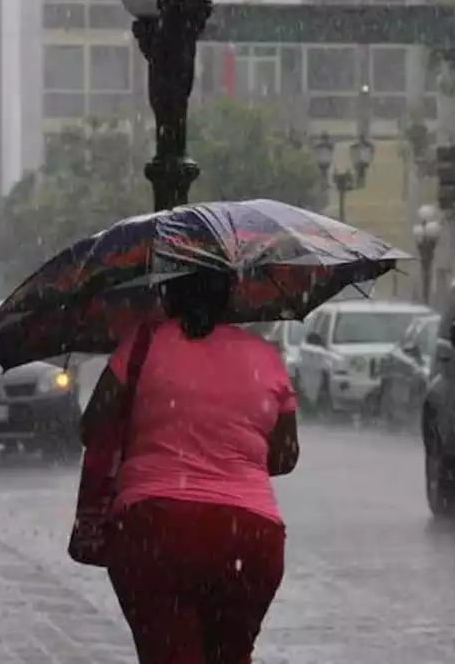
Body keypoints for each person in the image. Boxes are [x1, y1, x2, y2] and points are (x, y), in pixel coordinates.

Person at [86, 271, 300, 664]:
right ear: (231, 297)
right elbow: (285, 457)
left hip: (152, 529)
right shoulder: (266, 357)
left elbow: (93, 427)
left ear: (168, 294)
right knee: (231, 654)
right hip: (250, 536)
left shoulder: (142, 346)